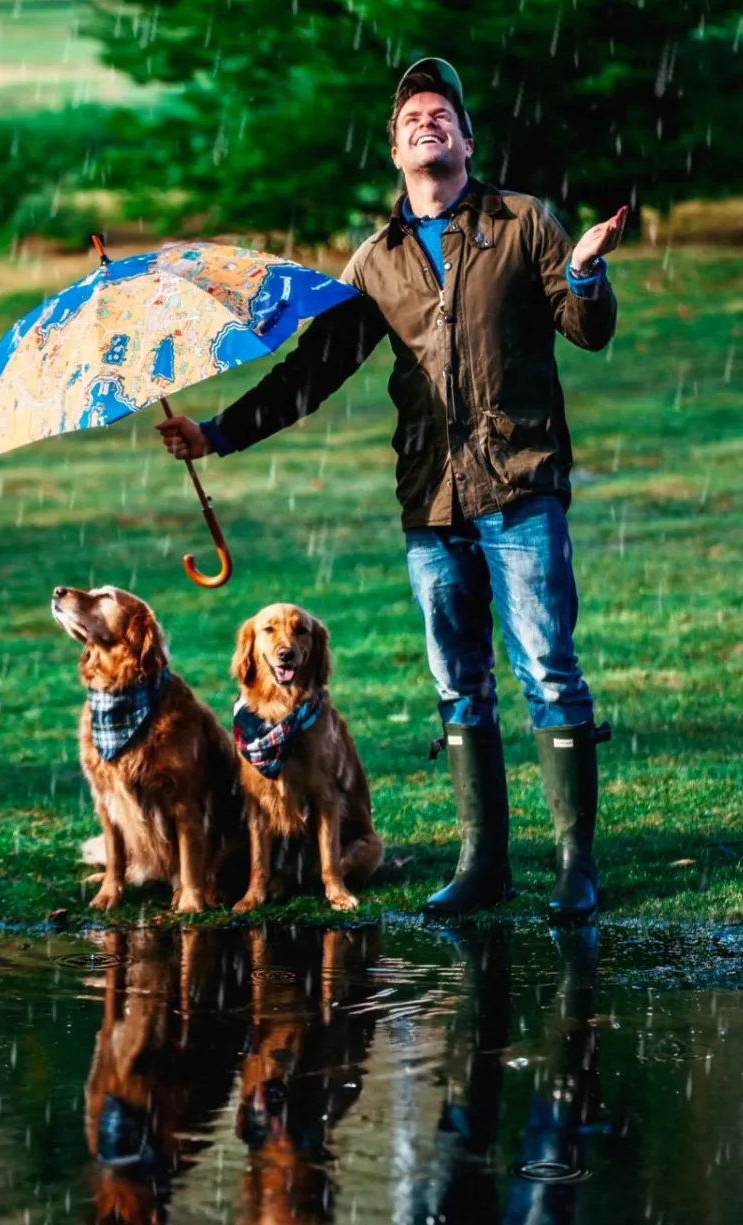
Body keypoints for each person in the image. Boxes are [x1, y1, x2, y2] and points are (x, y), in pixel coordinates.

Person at [157, 58, 627, 920]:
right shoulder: (376, 260)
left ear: (465, 139)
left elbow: (585, 329)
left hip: (520, 486)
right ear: (393, 148)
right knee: (459, 684)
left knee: (549, 674)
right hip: (431, 503)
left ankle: (574, 868)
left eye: (441, 111)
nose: (426, 121)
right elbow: (316, 368)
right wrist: (217, 433)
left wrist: (588, 272)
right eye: (411, 114)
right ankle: (482, 864)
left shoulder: (524, 224)